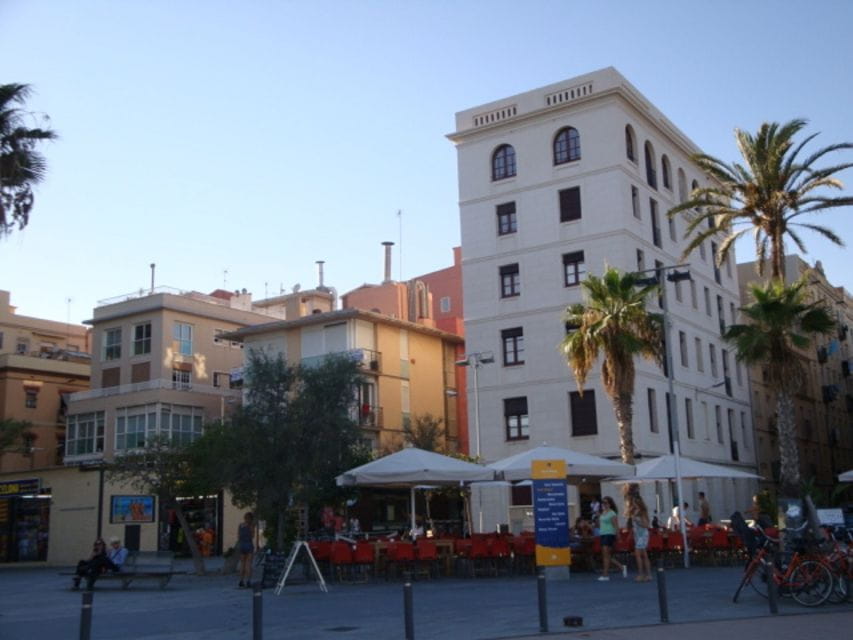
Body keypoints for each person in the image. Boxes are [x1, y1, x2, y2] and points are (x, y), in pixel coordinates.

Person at [597, 496, 627, 581]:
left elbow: (616, 525)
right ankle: (621, 567)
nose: (604, 504)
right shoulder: (603, 512)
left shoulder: (612, 513)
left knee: (606, 555)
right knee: (606, 555)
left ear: (610, 504)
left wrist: (618, 536)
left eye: (606, 502)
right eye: (603, 502)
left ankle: (605, 574)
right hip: (602, 534)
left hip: (609, 534)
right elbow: (600, 524)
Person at [627, 494, 652, 582]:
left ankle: (641, 574)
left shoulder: (642, 512)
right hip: (637, 534)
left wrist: (637, 521)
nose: (633, 503)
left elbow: (646, 525)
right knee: (644, 554)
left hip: (642, 534)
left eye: (634, 501)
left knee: (638, 554)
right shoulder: (634, 511)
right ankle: (648, 574)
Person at [237, 512, 255, 588]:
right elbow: (252, 536)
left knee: (242, 564)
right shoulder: (251, 526)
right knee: (248, 564)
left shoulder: (240, 525)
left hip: (242, 545)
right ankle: (248, 581)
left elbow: (238, 536)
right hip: (249, 545)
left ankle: (241, 581)